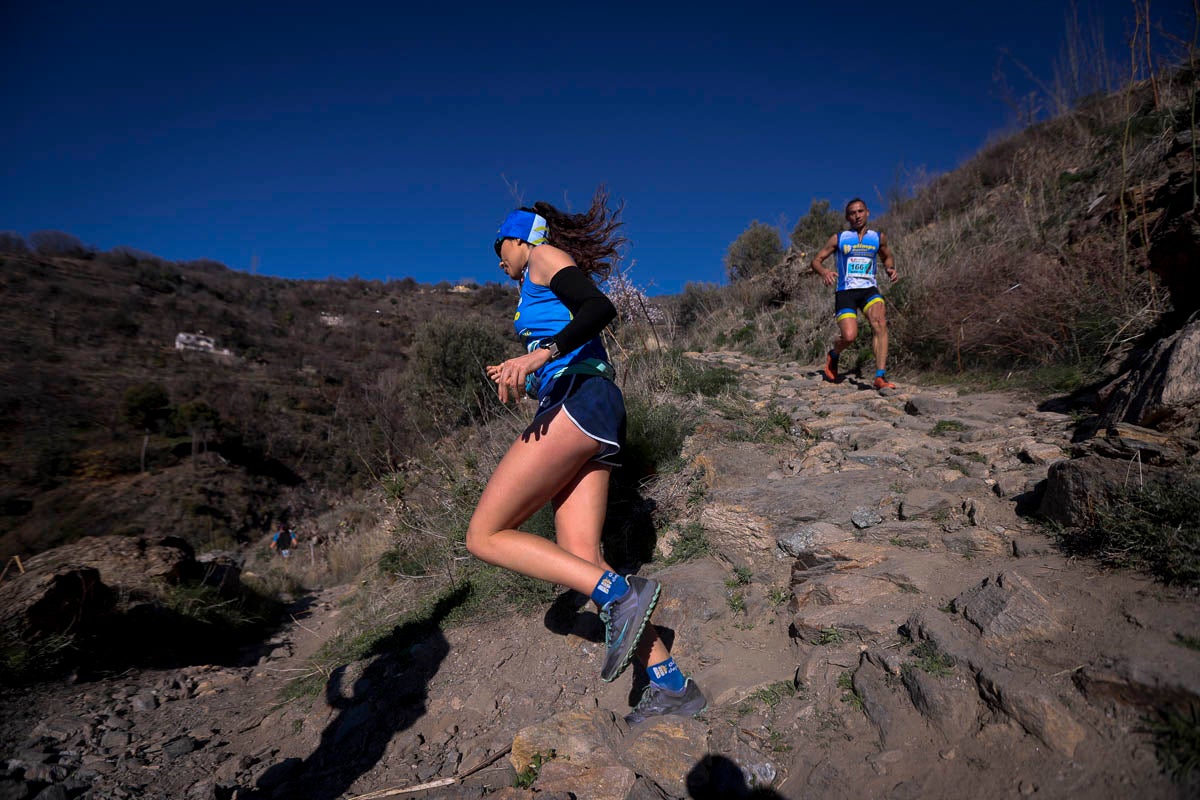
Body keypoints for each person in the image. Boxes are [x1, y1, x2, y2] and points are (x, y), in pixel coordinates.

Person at [465, 189, 706, 724]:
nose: (499, 262)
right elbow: (564, 344)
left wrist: (539, 356)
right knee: (582, 559)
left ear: (518, 238)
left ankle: (620, 595)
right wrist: (523, 374)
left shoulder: (543, 257)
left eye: (499, 248)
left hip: (581, 400)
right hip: (582, 403)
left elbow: (600, 308)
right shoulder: (532, 288)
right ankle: (670, 684)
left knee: (483, 535)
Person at [810, 198, 899, 389]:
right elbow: (816, 260)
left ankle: (880, 376)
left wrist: (890, 268)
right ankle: (834, 354)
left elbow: (887, 256)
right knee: (849, 336)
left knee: (880, 323)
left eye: (860, 211)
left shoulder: (878, 238)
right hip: (845, 292)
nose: (857, 216)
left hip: (869, 289)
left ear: (867, 213)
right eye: (852, 213)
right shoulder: (839, 238)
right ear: (847, 217)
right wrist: (824, 272)